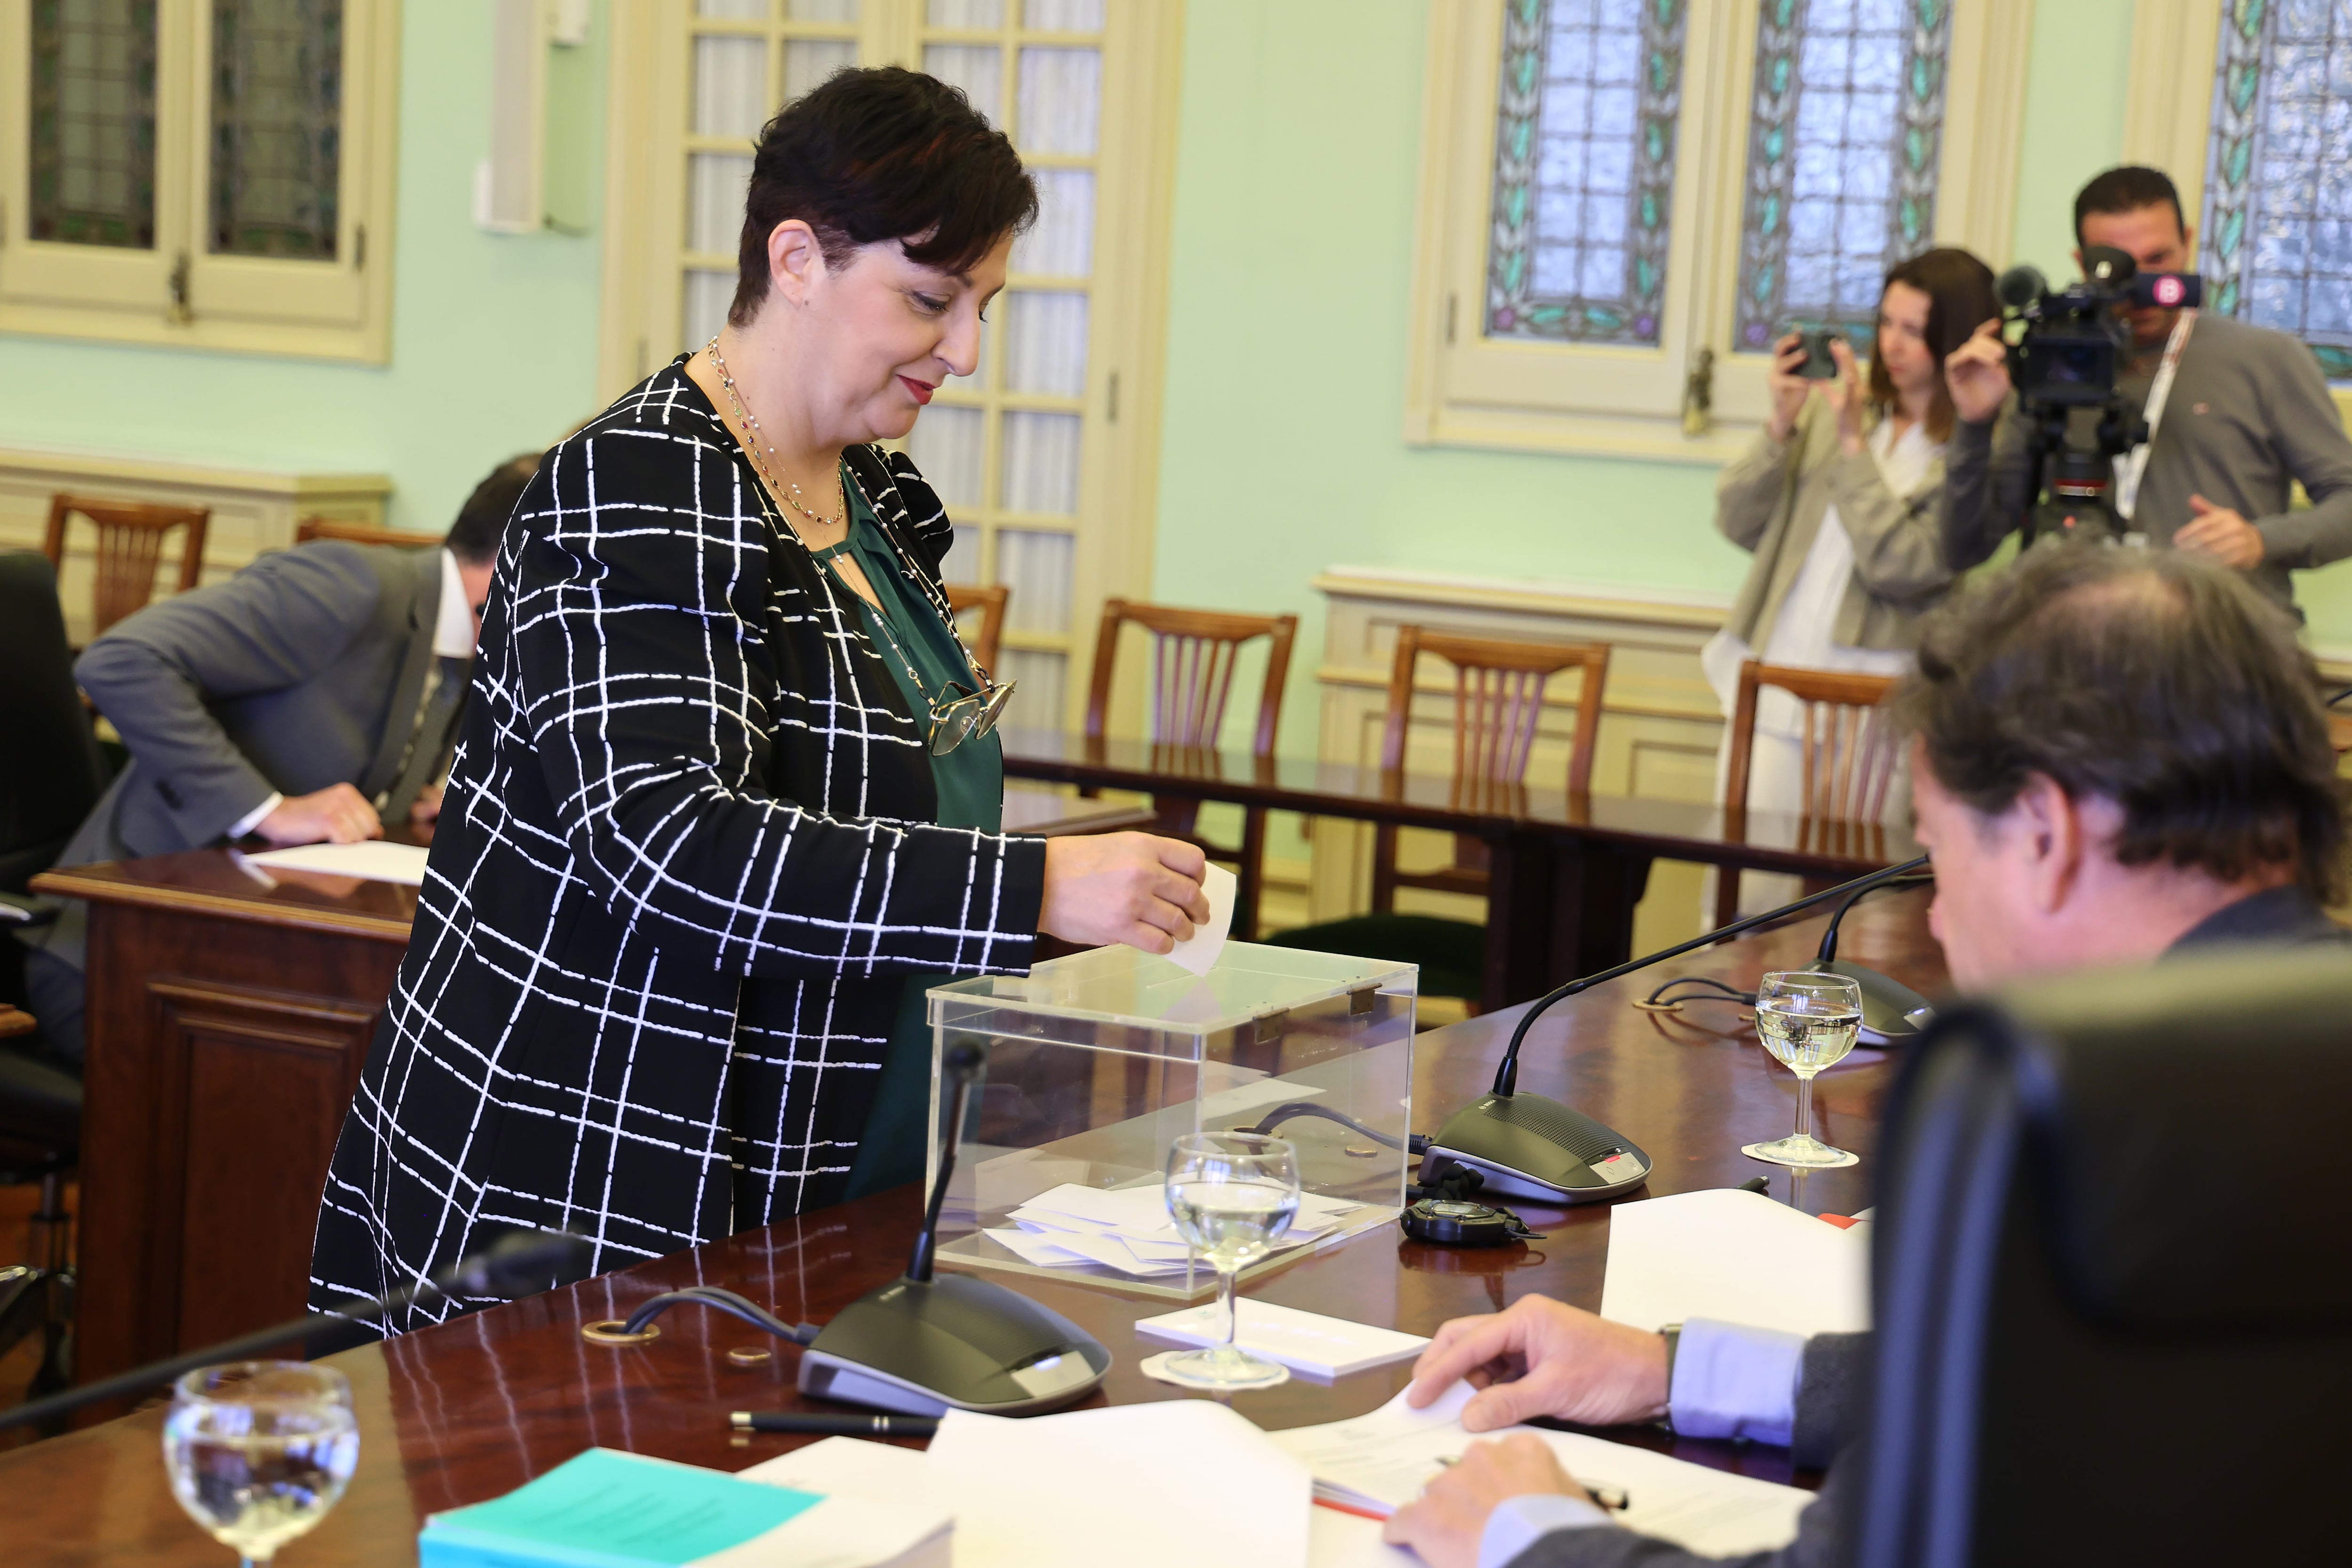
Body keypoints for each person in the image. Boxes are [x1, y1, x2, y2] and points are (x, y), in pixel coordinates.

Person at [307, 68, 1211, 1332]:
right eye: (930, 300)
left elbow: (884, 802)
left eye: (983, 307)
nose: (964, 350)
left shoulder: (867, 495)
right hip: (610, 1173)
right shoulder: (633, 484)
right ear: (796, 259)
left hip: (837, 1160)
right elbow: (669, 850)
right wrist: (1032, 888)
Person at [1380, 546, 2347, 1568]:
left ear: (2044, 832)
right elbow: (2034, 1388)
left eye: (1940, 855)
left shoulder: (2075, 1117)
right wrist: (1675, 1370)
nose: (1936, 916)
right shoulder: (2287, 1061)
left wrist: (1523, 1533)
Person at [11, 456, 529, 1062]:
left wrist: (425, 795)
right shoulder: (350, 585)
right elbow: (121, 660)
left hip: (263, 956)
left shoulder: (472, 640)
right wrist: (268, 809)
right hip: (123, 959)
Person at [1703, 247, 2000, 913]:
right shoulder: (1838, 409)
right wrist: (1780, 425)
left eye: (1914, 330)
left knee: (1851, 907)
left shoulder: (1967, 452)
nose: (1891, 345)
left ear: (1954, 339)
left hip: (1876, 702)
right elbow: (1738, 521)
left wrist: (1850, 449)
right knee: (1743, 896)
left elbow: (1909, 568)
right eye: (1886, 322)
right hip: (1774, 676)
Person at [1941, 166, 2352, 610]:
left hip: (2228, 638)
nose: (2142, 286)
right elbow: (1965, 548)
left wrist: (2260, 541)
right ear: (2082, 262)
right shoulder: (2057, 361)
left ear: (2188, 243)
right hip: (2085, 636)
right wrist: (1975, 425)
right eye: (2118, 265)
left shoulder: (2267, 359)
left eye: (2158, 260)